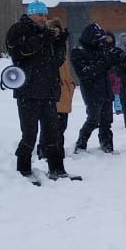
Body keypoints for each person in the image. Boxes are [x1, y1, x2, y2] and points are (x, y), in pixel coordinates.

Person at [6, 1, 70, 179]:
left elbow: (56, 61)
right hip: (28, 91)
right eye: (40, 15)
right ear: (31, 15)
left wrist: (60, 43)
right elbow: (18, 53)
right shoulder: (18, 29)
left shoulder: (47, 33)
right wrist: (43, 39)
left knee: (52, 133)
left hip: (48, 90)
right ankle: (23, 169)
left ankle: (57, 168)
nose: (44, 18)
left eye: (45, 15)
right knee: (29, 134)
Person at [71, 22, 126, 153]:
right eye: (98, 39)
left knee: (107, 121)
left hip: (106, 88)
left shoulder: (101, 48)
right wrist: (103, 64)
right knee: (93, 119)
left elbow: (111, 60)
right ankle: (81, 143)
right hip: (91, 91)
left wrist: (121, 58)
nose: (100, 42)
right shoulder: (78, 51)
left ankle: (106, 144)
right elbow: (84, 73)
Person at [37, 21, 76, 160]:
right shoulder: (45, 51)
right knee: (50, 127)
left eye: (58, 31)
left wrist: (70, 86)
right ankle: (45, 151)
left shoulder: (62, 52)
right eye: (54, 31)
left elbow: (67, 74)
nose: (56, 34)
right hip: (51, 93)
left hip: (64, 94)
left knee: (61, 126)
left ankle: (58, 151)